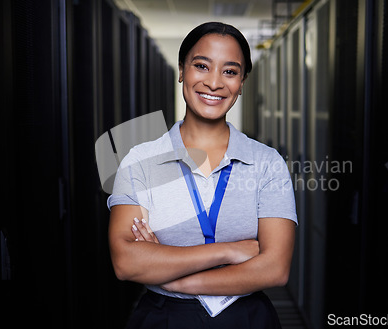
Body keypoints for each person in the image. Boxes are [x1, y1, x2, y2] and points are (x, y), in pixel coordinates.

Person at [107, 22, 297, 329]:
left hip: (245, 317)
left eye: (230, 71)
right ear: (182, 70)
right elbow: (126, 262)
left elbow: (275, 269)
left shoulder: (266, 163)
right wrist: (230, 250)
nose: (214, 82)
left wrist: (173, 277)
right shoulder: (141, 161)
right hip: (163, 318)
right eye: (201, 66)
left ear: (242, 81)